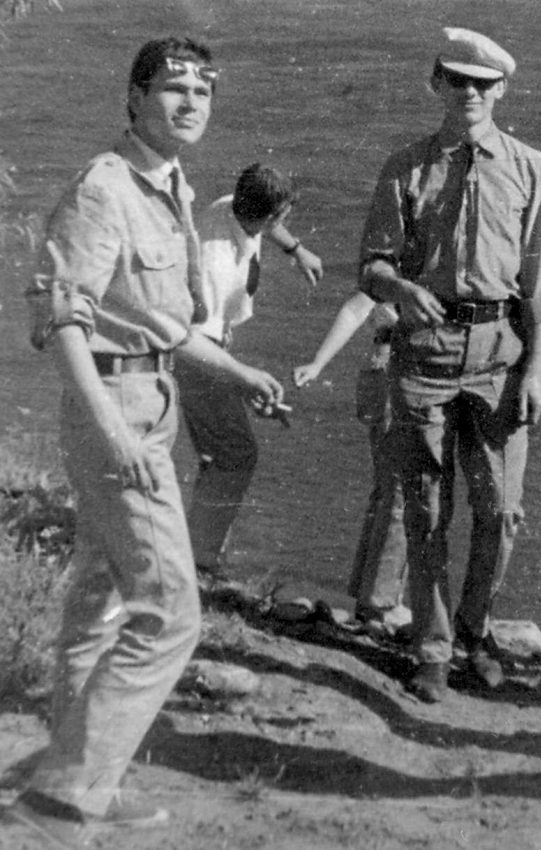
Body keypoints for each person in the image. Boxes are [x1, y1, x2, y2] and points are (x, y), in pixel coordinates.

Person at [11, 37, 284, 845]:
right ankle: (62, 797)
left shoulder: (168, 186)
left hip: (151, 396)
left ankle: (84, 778)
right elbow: (61, 321)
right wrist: (111, 432)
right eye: (172, 88)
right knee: (169, 613)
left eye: (203, 90)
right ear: (133, 98)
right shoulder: (104, 187)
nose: (191, 102)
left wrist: (239, 372)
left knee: (100, 600)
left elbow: (163, 325)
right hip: (116, 408)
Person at [357, 27, 541, 703]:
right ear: (436, 84)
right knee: (427, 510)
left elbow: (539, 284)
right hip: (426, 354)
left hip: (500, 357)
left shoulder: (530, 167)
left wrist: (535, 372)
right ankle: (434, 648)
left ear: (501, 90)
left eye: (483, 83)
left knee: (501, 510)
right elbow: (371, 265)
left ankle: (475, 630)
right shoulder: (405, 167)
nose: (470, 92)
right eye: (457, 80)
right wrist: (400, 287)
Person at [178, 162, 323, 583]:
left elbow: (268, 228)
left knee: (219, 453)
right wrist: (244, 378)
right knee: (235, 453)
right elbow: (191, 339)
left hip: (209, 343)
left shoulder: (231, 207)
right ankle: (199, 563)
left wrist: (296, 250)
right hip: (197, 352)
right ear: (273, 215)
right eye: (283, 216)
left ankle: (195, 548)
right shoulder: (215, 260)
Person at [293, 294, 411, 633]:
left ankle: (366, 596)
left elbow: (354, 308)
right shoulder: (419, 262)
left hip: (378, 364)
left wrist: (318, 363)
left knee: (387, 490)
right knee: (401, 491)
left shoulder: (386, 265)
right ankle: (380, 605)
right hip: (400, 367)